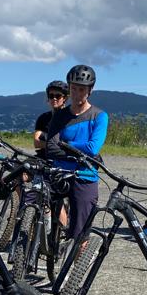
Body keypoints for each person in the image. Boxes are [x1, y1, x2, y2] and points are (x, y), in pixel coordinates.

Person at [45, 65, 108, 247]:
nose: (77, 93)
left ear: (90, 90)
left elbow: (93, 148)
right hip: (59, 171)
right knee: (37, 198)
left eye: (82, 89)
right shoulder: (60, 115)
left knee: (81, 232)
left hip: (85, 175)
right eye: (73, 89)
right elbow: (51, 147)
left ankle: (74, 271)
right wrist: (78, 152)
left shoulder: (99, 116)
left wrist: (66, 145)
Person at [34, 80, 67, 156]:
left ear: (64, 98)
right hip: (44, 156)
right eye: (51, 96)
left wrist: (46, 141)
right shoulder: (43, 118)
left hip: (64, 157)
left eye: (58, 96)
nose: (54, 99)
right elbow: (37, 142)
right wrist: (58, 145)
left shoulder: (70, 117)